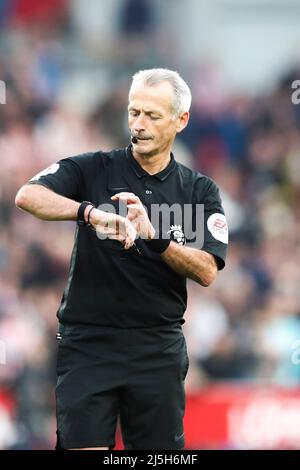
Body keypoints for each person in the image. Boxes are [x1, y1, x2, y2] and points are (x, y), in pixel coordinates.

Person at [15, 68, 228, 450]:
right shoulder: (93, 168)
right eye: (134, 112)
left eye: (152, 115)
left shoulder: (198, 190)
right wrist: (89, 213)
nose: (139, 124)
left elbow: (208, 270)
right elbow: (28, 196)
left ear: (181, 120)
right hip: (89, 343)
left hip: (156, 348)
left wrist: (155, 238)